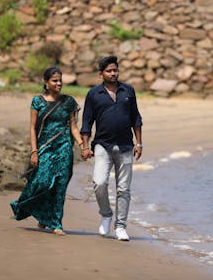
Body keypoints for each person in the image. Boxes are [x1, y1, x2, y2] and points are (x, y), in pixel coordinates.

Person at [10, 66, 83, 236]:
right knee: (42, 182)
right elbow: (32, 128)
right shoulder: (37, 101)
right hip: (44, 147)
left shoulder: (69, 102)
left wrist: (82, 145)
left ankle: (56, 223)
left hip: (64, 147)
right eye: (55, 81)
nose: (59, 83)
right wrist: (34, 152)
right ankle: (32, 211)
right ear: (46, 82)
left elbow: (73, 127)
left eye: (60, 80)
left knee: (60, 185)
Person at [80, 55, 143, 241]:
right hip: (102, 145)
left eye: (115, 70)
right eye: (109, 71)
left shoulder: (128, 91)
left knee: (124, 189)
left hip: (125, 145)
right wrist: (85, 146)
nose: (113, 73)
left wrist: (139, 143)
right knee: (99, 183)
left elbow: (136, 119)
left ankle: (121, 226)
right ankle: (106, 214)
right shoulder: (93, 94)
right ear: (101, 74)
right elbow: (86, 122)